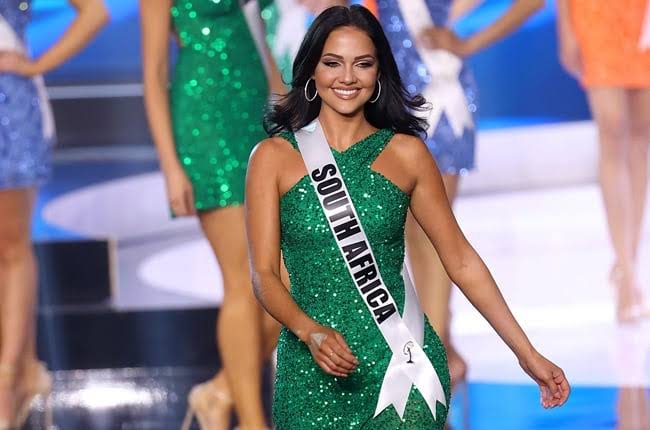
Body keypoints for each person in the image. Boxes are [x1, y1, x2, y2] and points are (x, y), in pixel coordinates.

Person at [246, 5, 570, 429]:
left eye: (363, 64)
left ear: (380, 72)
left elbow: (461, 260)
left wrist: (526, 354)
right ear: (310, 71)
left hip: (404, 368)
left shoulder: (407, 154)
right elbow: (264, 276)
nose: (348, 77)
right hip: (311, 369)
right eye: (333, 63)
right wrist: (308, 330)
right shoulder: (272, 158)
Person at [140, 1, 285, 429]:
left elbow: (268, 40)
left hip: (259, 111)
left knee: (288, 283)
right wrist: (171, 166)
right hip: (205, 123)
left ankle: (219, 393)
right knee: (243, 280)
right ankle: (253, 421)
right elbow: (153, 75)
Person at [0, 0, 108, 428]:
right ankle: (25, 371)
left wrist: (35, 65)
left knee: (10, 247)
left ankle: (8, 382)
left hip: (8, 110)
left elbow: (94, 12)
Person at [557, 0, 650, 323]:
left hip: (642, 16)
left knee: (640, 137)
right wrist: (566, 26)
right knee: (612, 129)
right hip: (595, 14)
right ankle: (624, 268)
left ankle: (629, 265)